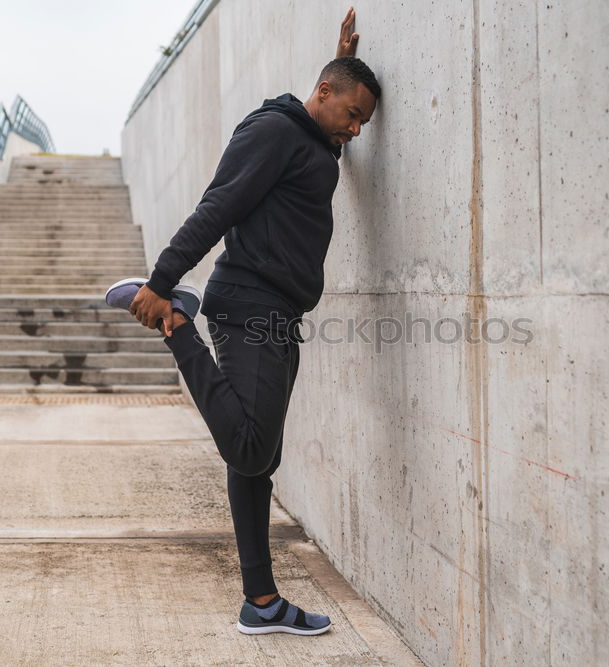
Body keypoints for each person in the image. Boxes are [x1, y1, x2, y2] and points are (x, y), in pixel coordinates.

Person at [105, 7, 380, 636]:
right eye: (352, 115)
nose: (357, 131)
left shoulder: (314, 136)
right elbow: (219, 203)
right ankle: (178, 324)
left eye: (364, 121)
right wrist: (161, 282)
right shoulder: (274, 131)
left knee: (260, 456)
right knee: (250, 448)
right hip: (250, 303)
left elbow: (329, 117)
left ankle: (261, 603)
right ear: (322, 91)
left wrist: (342, 63)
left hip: (279, 312)